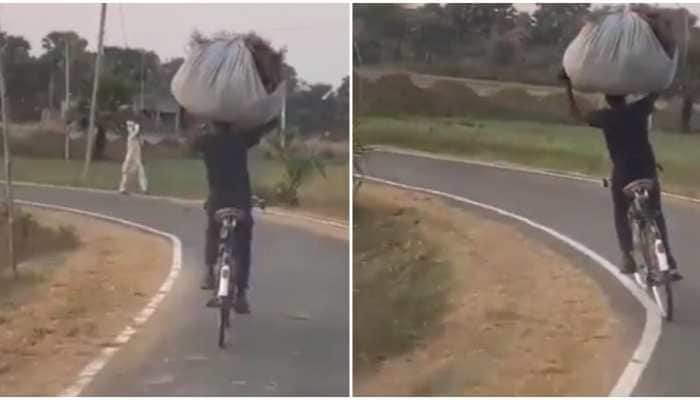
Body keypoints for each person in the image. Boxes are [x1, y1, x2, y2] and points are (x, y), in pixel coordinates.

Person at [559, 69, 682, 281]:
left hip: (624, 175)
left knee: (620, 212)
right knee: (656, 212)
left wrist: (567, 86)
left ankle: (627, 257)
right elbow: (657, 90)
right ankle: (669, 258)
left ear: (607, 99)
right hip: (647, 169)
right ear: (626, 96)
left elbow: (576, 115)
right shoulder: (640, 109)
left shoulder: (605, 117)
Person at [191, 117, 280, 314]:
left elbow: (191, 137)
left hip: (218, 200)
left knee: (213, 231)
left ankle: (208, 272)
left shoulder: (207, 143)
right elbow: (263, 126)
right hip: (241, 200)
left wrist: (198, 122)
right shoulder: (241, 140)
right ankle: (241, 295)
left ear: (213, 123)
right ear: (234, 124)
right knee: (243, 244)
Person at [119, 120, 149, 194]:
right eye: (129, 126)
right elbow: (136, 132)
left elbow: (142, 143)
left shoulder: (136, 138)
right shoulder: (130, 137)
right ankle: (122, 188)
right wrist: (137, 128)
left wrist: (140, 136)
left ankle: (144, 189)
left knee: (141, 173)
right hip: (129, 159)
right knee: (126, 174)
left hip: (137, 159)